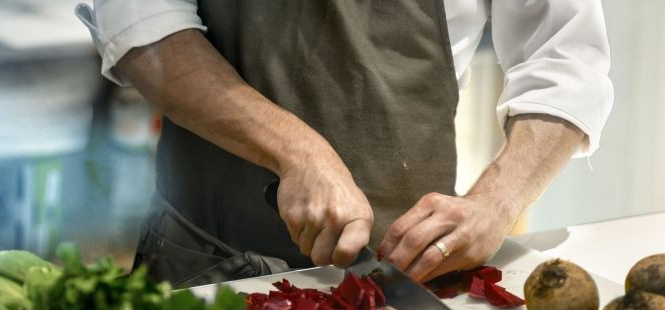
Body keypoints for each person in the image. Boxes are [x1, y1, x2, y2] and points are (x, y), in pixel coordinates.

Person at [76, 0, 613, 287]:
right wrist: (296, 150)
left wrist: (496, 203)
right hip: (200, 265)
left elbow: (565, 53)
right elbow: (139, 19)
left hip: (403, 278)